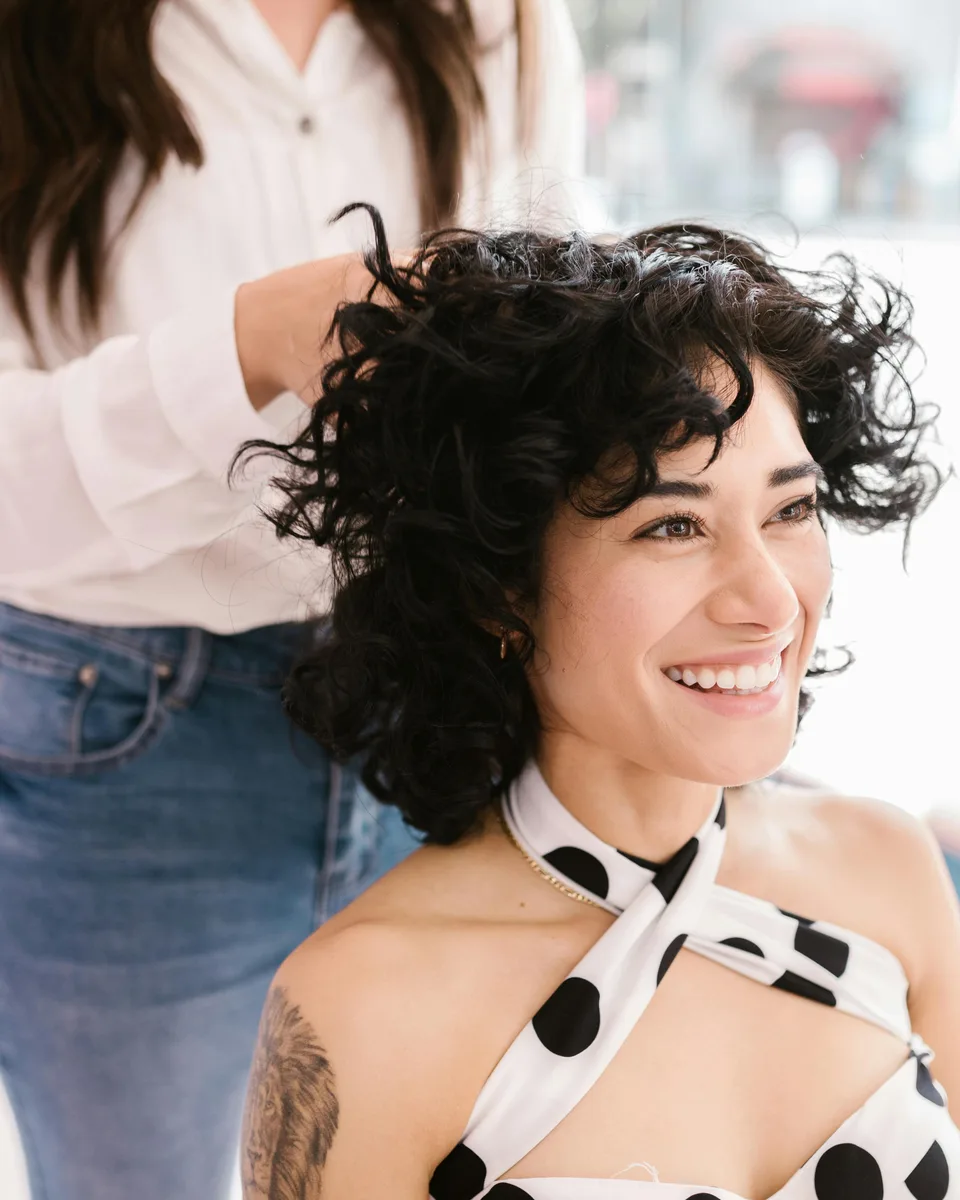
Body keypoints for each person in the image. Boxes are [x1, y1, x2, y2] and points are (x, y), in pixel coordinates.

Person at [240, 218, 960, 1199]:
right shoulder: (367, 1006)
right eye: (673, 525)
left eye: (789, 511)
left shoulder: (890, 871)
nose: (771, 601)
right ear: (501, 588)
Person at [0, 3, 588, 1199]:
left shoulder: (502, 23)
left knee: (449, 1159)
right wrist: (250, 345)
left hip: (441, 691)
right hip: (121, 733)